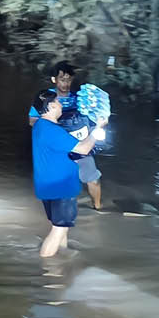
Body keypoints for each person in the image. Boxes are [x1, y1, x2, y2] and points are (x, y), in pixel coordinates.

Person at [33, 89, 100, 258]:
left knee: (61, 226)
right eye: (57, 102)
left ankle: (61, 258)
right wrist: (97, 131)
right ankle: (48, 272)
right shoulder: (51, 130)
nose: (60, 104)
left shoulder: (40, 126)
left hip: (47, 186)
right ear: (50, 107)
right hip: (60, 187)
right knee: (59, 228)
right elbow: (84, 149)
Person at [28, 61, 104, 210]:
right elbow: (33, 122)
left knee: (93, 179)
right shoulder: (45, 99)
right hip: (58, 149)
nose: (66, 83)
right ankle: (62, 211)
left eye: (69, 80)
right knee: (62, 182)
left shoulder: (80, 99)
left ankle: (98, 207)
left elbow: (93, 120)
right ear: (54, 79)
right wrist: (58, 126)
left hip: (79, 145)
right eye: (62, 79)